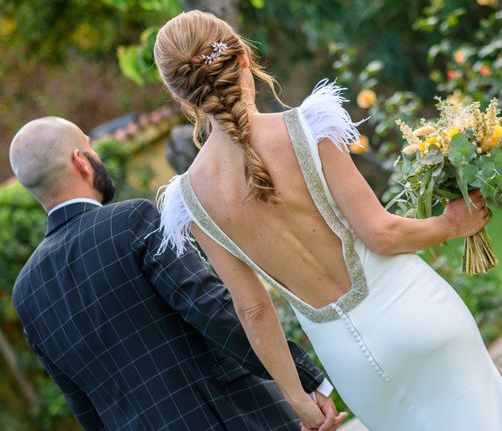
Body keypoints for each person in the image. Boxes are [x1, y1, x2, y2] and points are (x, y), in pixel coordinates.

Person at [154, 10, 502, 430]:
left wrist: (297, 397)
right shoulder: (309, 125)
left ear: (181, 100)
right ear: (245, 56)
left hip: (353, 367)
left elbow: (253, 311)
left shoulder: (189, 201)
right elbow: (381, 233)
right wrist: (453, 225)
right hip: (417, 315)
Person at [9, 117, 344, 431]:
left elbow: (82, 405)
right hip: (230, 417)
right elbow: (212, 309)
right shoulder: (129, 222)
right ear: (81, 160)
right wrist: (301, 381)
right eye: (91, 148)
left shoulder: (25, 293)